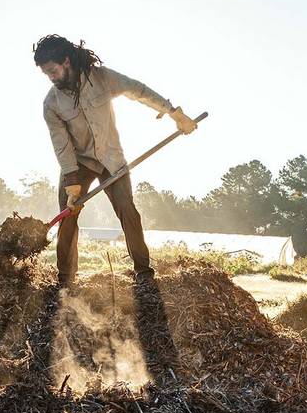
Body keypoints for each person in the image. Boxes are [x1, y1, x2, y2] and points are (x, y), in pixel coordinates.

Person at [34, 34, 198, 285]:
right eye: (46, 74)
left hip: (111, 159)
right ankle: (66, 279)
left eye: (53, 71)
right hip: (78, 163)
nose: (51, 78)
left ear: (66, 61)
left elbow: (137, 90)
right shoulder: (51, 103)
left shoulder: (101, 78)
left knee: (127, 210)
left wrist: (173, 112)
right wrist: (71, 181)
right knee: (67, 215)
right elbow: (61, 145)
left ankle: (143, 273)